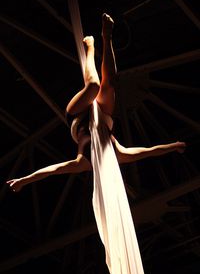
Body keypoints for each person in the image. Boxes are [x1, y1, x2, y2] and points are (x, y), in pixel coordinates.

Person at [7, 13, 186, 193]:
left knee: (93, 85)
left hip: (78, 117)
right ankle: (107, 36)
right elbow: (150, 151)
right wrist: (175, 146)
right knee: (108, 84)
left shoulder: (83, 163)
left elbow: (52, 170)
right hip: (103, 116)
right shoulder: (120, 154)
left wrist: (24, 180)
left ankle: (90, 49)